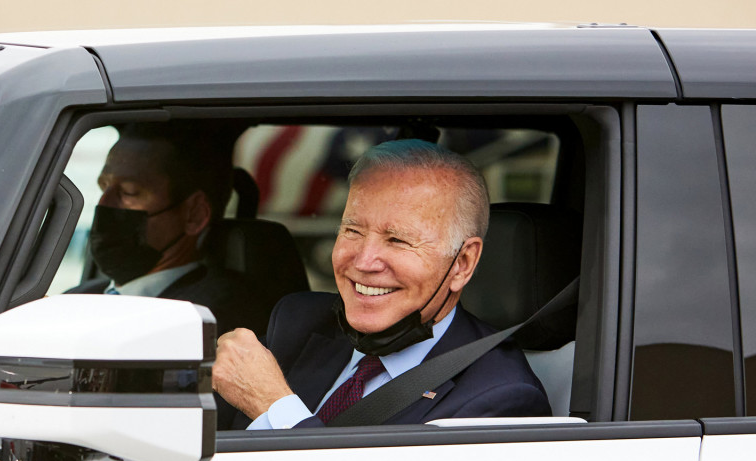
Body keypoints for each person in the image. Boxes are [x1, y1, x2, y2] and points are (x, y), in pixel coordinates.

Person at [213, 139, 550, 429]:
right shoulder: (298, 322)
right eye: (353, 231)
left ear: (462, 263)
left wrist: (274, 406)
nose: (363, 261)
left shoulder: (500, 399)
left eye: (398, 240)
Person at [70, 122, 267, 334]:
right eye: (104, 186)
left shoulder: (210, 321)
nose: (103, 204)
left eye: (130, 192)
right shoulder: (77, 301)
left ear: (194, 215)